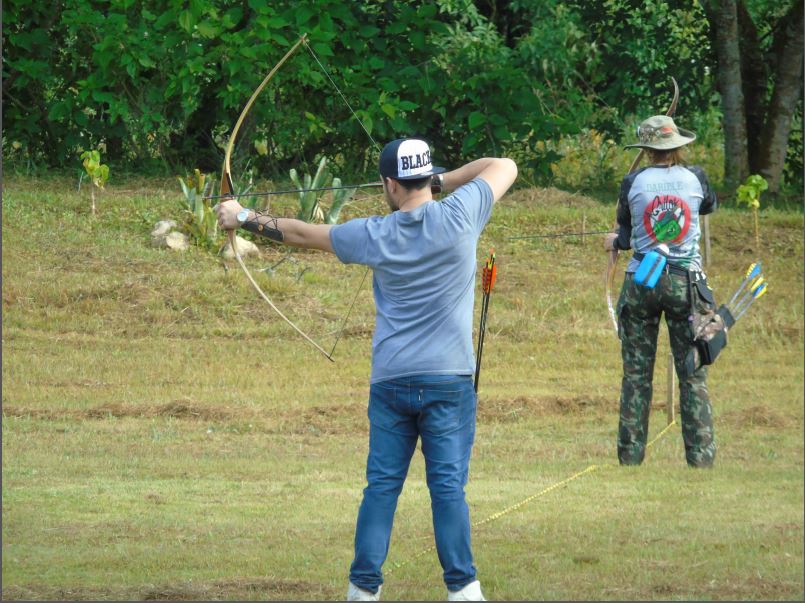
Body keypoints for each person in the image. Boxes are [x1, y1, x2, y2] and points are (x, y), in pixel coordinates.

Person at [215, 138, 517, 601]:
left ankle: (363, 590)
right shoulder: (463, 213)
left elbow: (300, 234)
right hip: (448, 380)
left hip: (392, 381)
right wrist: (439, 181)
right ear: (426, 178)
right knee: (448, 490)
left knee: (381, 488)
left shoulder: (374, 234)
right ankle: (463, 591)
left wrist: (243, 216)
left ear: (390, 185)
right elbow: (503, 164)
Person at [603, 115, 718, 468]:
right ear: (677, 145)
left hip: (643, 281)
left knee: (636, 376)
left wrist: (615, 241)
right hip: (686, 283)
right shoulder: (696, 177)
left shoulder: (633, 181)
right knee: (692, 374)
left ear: (647, 148)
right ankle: (700, 459)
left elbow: (626, 236)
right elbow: (708, 205)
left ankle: (630, 457)